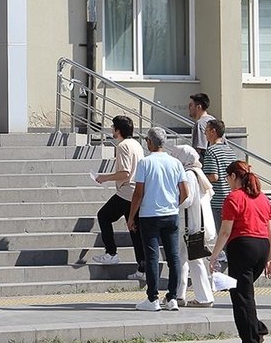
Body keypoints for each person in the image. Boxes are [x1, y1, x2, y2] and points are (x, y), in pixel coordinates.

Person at [209, 160, 271, 343]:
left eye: (227, 178)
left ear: (232, 176)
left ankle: (252, 337)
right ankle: (257, 328)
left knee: (240, 297)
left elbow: (225, 231)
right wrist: (269, 259)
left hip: (242, 247)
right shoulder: (263, 198)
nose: (227, 182)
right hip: (262, 247)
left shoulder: (233, 198)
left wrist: (214, 256)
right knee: (245, 293)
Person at [127, 127, 188, 312]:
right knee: (174, 258)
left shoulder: (145, 163)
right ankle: (172, 298)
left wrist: (131, 216)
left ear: (150, 142)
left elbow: (138, 193)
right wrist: (173, 204)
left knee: (152, 257)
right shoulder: (176, 163)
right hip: (171, 214)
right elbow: (185, 192)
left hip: (149, 215)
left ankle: (153, 298)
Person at [91, 115, 146, 281]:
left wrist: (103, 177)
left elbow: (125, 173)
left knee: (103, 216)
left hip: (126, 192)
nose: (111, 129)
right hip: (137, 192)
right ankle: (142, 269)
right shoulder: (137, 144)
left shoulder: (122, 146)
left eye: (112, 127)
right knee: (135, 231)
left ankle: (111, 252)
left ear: (117, 130)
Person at [170, 145, 216, 308]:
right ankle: (178, 294)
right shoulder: (197, 172)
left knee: (192, 260)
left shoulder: (188, 174)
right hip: (195, 224)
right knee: (183, 258)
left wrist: (172, 204)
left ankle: (204, 297)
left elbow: (187, 199)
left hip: (188, 224)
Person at [188, 93, 215, 158]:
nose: (189, 108)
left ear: (198, 107)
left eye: (191, 105)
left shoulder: (200, 124)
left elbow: (199, 151)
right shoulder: (214, 120)